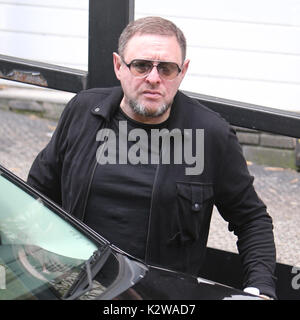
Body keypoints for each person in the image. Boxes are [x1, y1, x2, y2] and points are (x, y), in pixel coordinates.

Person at [27, 16, 276, 299]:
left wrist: (259, 289)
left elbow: (251, 219)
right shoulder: (83, 112)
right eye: (141, 65)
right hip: (77, 288)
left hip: (160, 299)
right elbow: (38, 192)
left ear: (182, 72)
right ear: (119, 66)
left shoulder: (210, 135)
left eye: (167, 69)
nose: (154, 78)